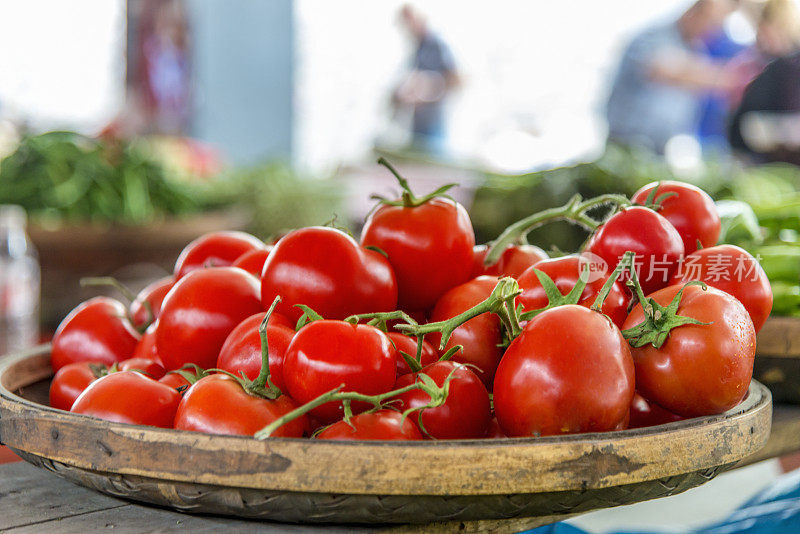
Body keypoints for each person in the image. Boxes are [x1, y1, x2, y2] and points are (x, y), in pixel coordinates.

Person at [605, 0, 738, 154]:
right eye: (712, 22)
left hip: (663, 149)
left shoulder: (697, 50)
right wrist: (731, 79)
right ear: (694, 12)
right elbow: (664, 69)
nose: (715, 32)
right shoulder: (654, 37)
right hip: (625, 144)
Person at [392, 5, 461, 155]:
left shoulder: (438, 44)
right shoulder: (418, 47)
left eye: (409, 21)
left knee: (433, 162)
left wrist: (429, 89)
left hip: (434, 124)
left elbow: (457, 80)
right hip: (417, 123)